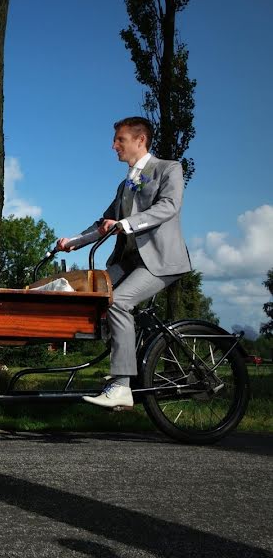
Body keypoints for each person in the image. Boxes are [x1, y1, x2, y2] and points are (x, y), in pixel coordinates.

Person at [56, 116, 191, 409]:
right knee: (93, 295)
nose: (113, 145)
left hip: (159, 261)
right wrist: (71, 242)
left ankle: (121, 384)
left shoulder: (168, 169)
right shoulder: (127, 182)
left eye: (120, 140)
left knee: (119, 302)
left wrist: (126, 223)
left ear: (140, 140)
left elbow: (168, 206)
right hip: (129, 260)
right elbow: (104, 223)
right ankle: (123, 357)